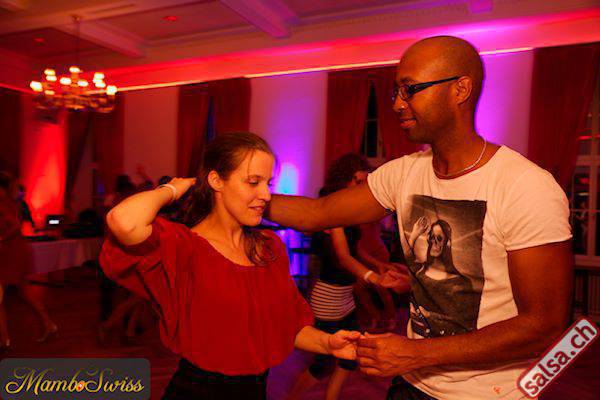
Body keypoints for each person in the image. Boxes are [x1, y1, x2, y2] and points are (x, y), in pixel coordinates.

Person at [265, 36, 572, 400]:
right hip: (412, 382)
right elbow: (319, 213)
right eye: (396, 91)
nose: (397, 104)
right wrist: (238, 197)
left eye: (410, 90)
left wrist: (415, 353)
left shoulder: (525, 186)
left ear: (460, 89)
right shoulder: (405, 173)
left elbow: (544, 326)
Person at [100, 132, 363, 399]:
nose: (266, 194)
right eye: (253, 182)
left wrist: (328, 343)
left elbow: (287, 326)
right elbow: (123, 221)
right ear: (216, 180)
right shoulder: (184, 246)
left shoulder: (269, 248)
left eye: (268, 183)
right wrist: (173, 189)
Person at [287, 154, 409, 400]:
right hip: (328, 299)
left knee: (349, 357)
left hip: (345, 299)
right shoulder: (332, 213)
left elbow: (356, 248)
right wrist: (374, 278)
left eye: (364, 182)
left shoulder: (347, 213)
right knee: (322, 365)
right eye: (357, 181)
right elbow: (344, 257)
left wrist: (379, 265)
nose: (361, 187)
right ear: (343, 181)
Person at [0, 171, 58, 347]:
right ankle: (48, 324)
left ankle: (4, 339)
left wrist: (1, 238)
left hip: (11, 251)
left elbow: (15, 226)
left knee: (7, 294)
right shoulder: (10, 201)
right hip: (16, 249)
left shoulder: (3, 203)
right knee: (22, 292)